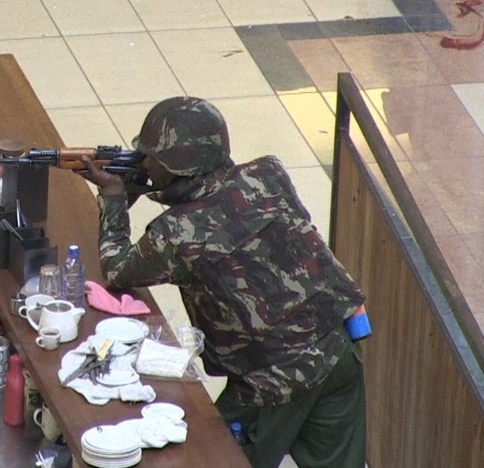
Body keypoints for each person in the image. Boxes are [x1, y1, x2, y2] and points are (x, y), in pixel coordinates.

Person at [82, 96, 367, 468]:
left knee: (211, 458)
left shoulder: (176, 234)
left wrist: (116, 197)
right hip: (339, 348)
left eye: (150, 156)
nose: (144, 162)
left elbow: (117, 268)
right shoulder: (269, 174)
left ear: (175, 167)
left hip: (272, 384)